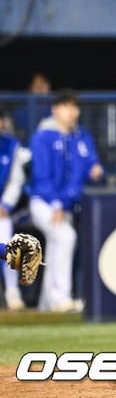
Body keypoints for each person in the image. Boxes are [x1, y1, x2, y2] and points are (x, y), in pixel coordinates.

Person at [28, 89, 104, 312]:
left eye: (74, 107)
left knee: (56, 246)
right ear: (55, 110)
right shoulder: (43, 136)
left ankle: (46, 305)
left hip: (68, 204)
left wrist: (96, 170)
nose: (71, 112)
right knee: (65, 237)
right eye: (66, 107)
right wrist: (56, 203)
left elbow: (91, 163)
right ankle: (61, 298)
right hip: (44, 202)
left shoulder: (80, 136)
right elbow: (41, 176)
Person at [0, 108, 28, 310]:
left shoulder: (10, 144)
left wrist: (6, 204)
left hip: (1, 209)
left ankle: (12, 292)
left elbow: (16, 179)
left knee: (8, 245)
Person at [13, 72, 53, 144]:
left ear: (48, 86)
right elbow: (19, 135)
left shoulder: (55, 110)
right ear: (31, 88)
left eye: (42, 84)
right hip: (26, 147)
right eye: (36, 85)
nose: (40, 88)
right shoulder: (22, 112)